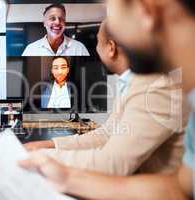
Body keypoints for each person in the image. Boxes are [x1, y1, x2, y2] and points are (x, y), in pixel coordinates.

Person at [20, 0, 195, 199]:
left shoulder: (159, 84)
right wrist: (49, 149)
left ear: (146, 10)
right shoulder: (140, 81)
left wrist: (42, 159)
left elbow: (113, 163)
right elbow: (182, 186)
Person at [22, 4, 90, 56]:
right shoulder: (30, 50)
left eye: (61, 19)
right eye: (52, 18)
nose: (57, 22)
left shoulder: (79, 48)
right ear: (44, 23)